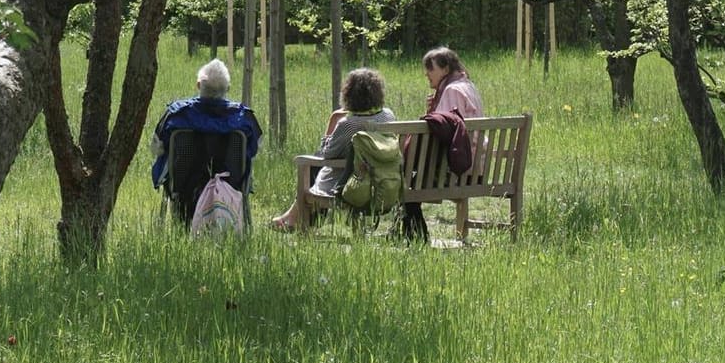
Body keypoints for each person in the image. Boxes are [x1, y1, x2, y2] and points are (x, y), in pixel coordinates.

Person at [270, 67, 394, 231]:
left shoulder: (348, 124)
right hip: (383, 180)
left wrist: (333, 120)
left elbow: (327, 154)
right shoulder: (387, 115)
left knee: (313, 163)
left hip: (351, 183)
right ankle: (292, 217)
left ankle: (296, 220)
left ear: (348, 94)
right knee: (316, 166)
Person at [150, 58, 262, 194]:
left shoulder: (176, 115)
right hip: (231, 191)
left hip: (183, 189)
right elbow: (254, 149)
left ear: (198, 85)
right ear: (228, 88)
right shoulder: (244, 118)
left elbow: (157, 149)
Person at [421, 46, 483, 120]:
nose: (426, 74)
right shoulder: (469, 85)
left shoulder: (452, 90)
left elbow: (452, 127)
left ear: (446, 70)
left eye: (431, 69)